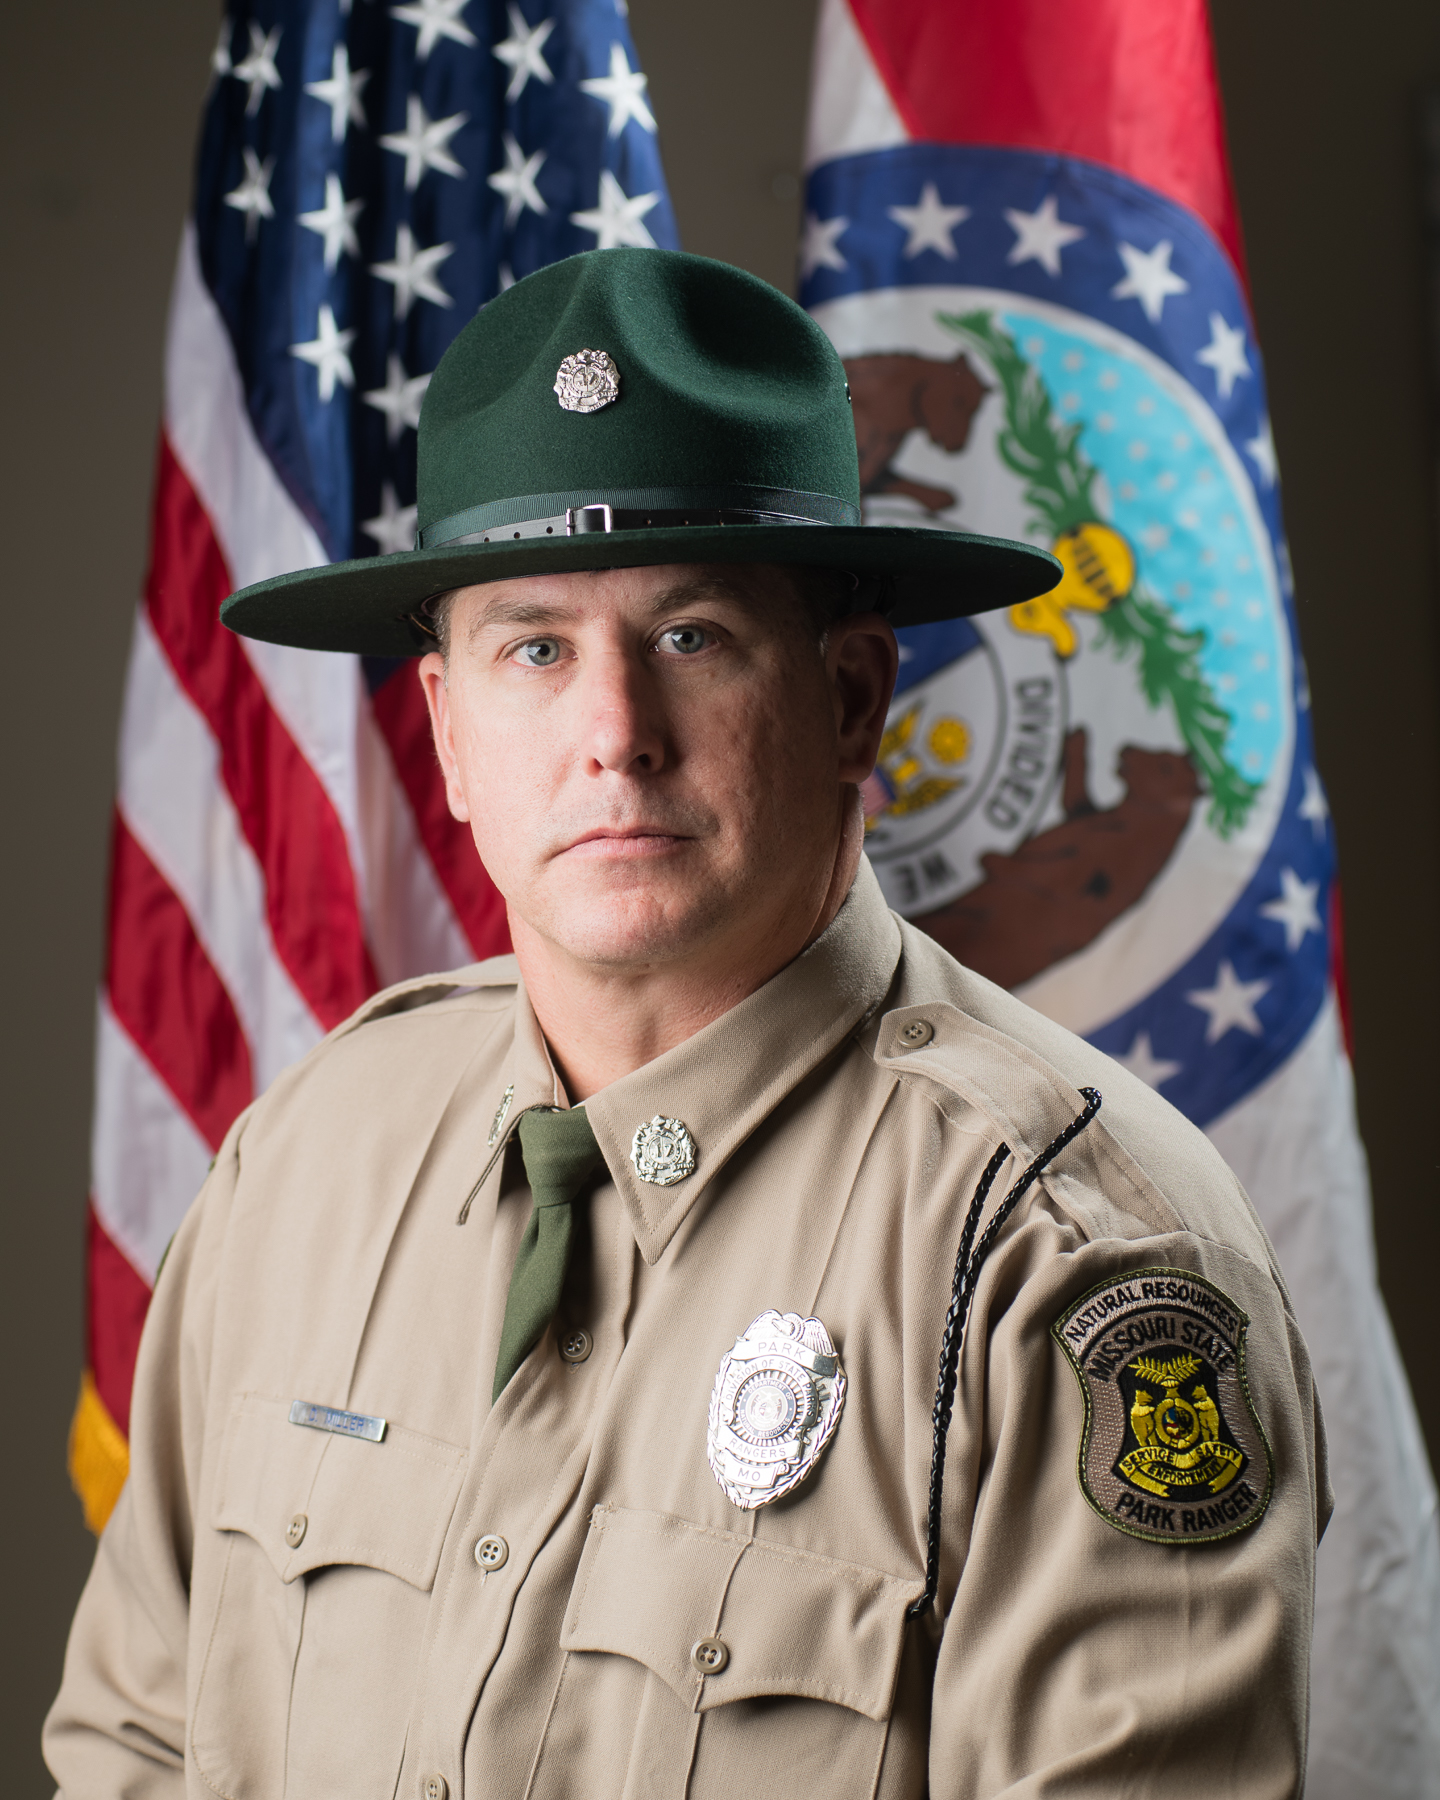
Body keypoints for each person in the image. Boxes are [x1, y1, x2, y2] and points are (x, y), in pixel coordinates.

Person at [46, 248, 1328, 1799]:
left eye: (692, 637)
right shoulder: (310, 1161)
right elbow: (131, 1744)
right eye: (534, 647)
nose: (614, 737)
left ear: (855, 698)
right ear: (448, 733)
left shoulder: (1073, 1259)